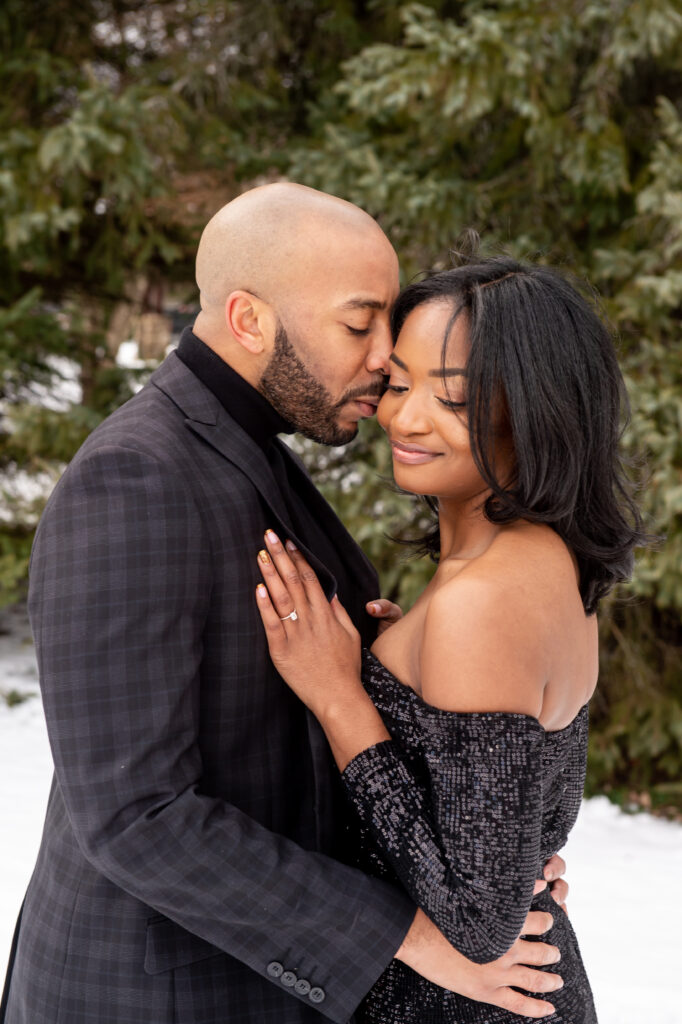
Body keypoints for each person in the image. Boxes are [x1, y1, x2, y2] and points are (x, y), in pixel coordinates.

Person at [1, 188, 566, 1024]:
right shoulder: (135, 478)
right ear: (250, 319)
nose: (386, 356)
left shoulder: (247, 448)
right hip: (156, 997)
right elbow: (136, 816)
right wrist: (410, 935)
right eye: (359, 324)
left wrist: (478, 850)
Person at [253, 256, 647, 1022]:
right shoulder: (545, 558)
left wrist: (342, 699)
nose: (404, 420)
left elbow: (478, 923)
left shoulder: (484, 599)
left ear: (536, 410)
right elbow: (520, 795)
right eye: (399, 384)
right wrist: (401, 675)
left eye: (455, 398)